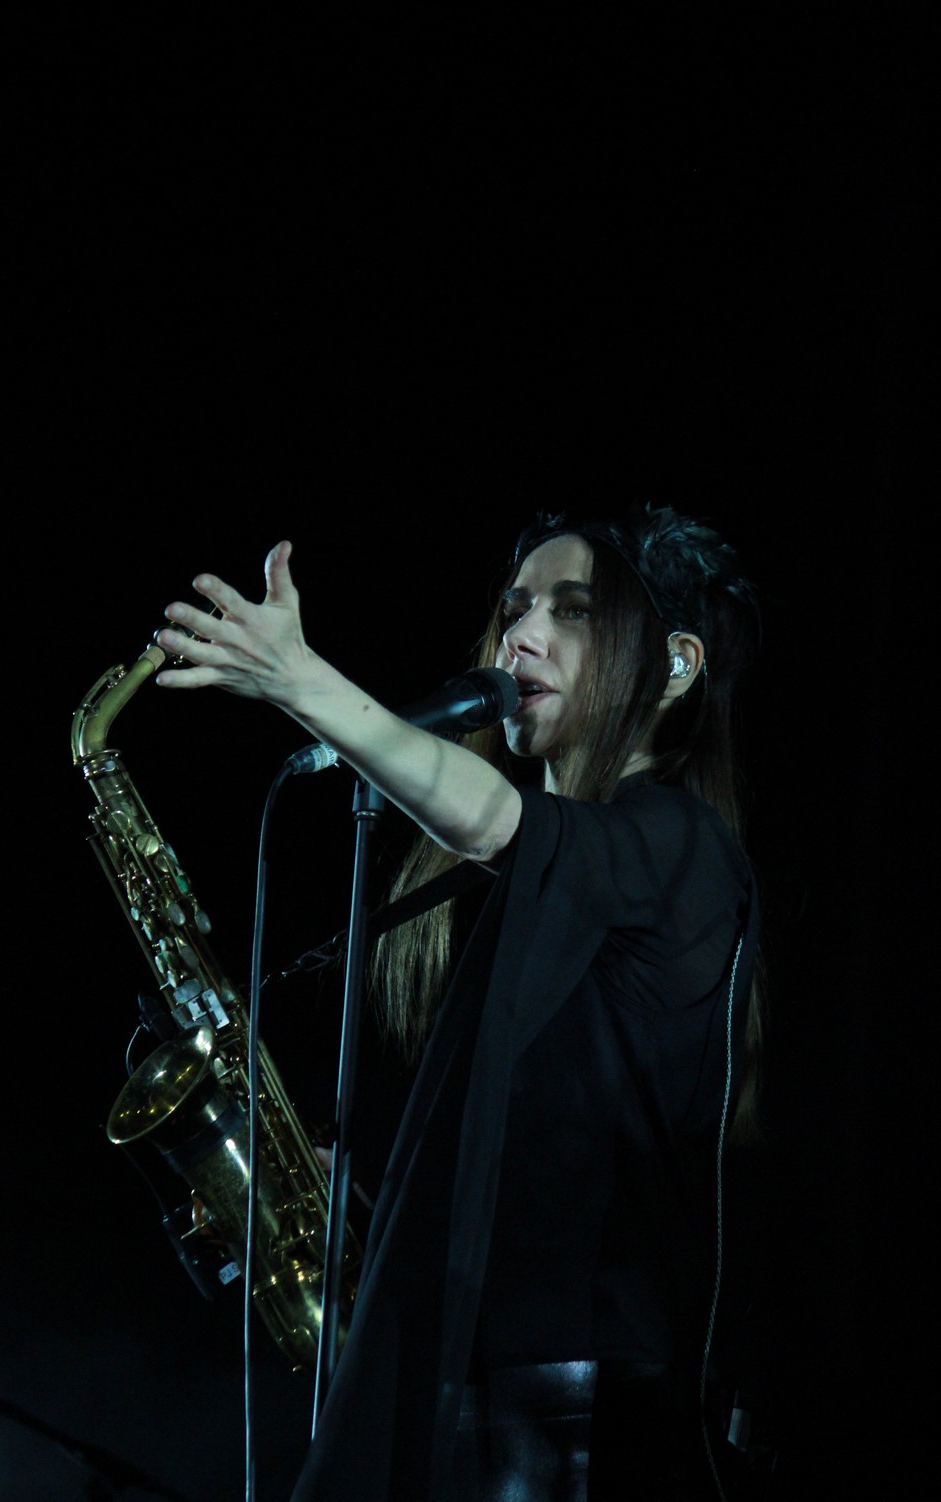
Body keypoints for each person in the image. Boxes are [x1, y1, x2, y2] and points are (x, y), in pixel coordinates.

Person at [155, 503, 765, 1502]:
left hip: (578, 1427)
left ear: (673, 666)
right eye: (514, 607)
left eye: (572, 611)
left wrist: (298, 680)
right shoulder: (528, 894)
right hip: (474, 1395)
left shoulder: (677, 845)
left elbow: (491, 819)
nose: (518, 636)